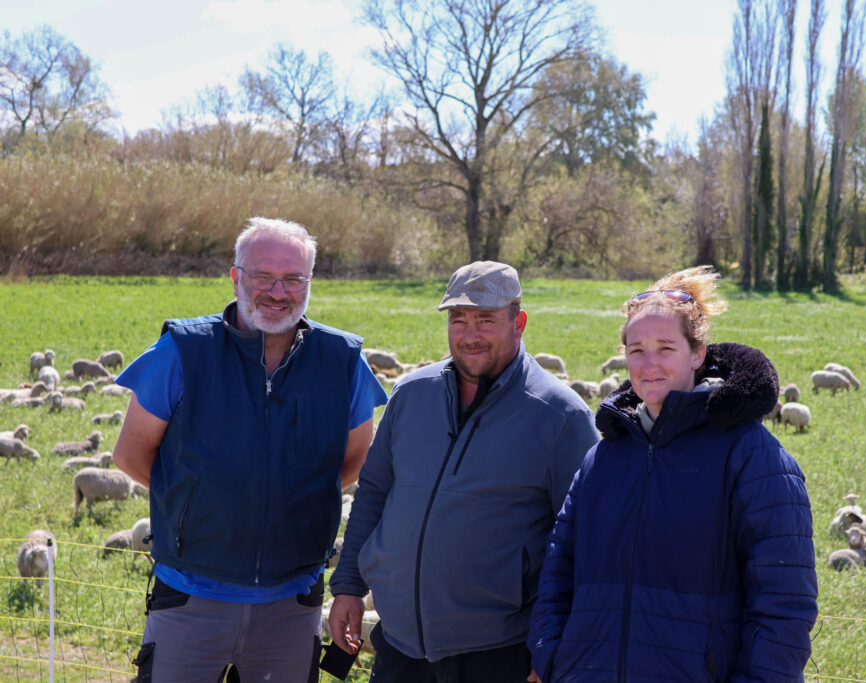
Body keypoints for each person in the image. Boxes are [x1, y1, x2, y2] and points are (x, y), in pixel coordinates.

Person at [111, 217, 388, 681]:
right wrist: (194, 504)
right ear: (236, 277)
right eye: (263, 276)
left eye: (293, 278)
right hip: (190, 597)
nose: (278, 292)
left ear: (310, 282)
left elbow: (357, 457)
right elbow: (131, 455)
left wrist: (290, 502)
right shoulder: (182, 351)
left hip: (292, 602)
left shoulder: (342, 360)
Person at [527, 266, 818, 682]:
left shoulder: (750, 455)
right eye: (637, 350)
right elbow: (560, 568)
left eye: (666, 348)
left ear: (697, 354)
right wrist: (552, 658)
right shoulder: (604, 457)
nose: (649, 365)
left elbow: (784, 601)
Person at [327, 260, 600, 682]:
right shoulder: (412, 394)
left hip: (498, 652)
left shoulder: (561, 416)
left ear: (518, 322)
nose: (470, 335)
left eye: (486, 319)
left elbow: (584, 543)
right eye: (459, 319)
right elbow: (375, 490)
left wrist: (554, 644)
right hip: (399, 645)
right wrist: (348, 586)